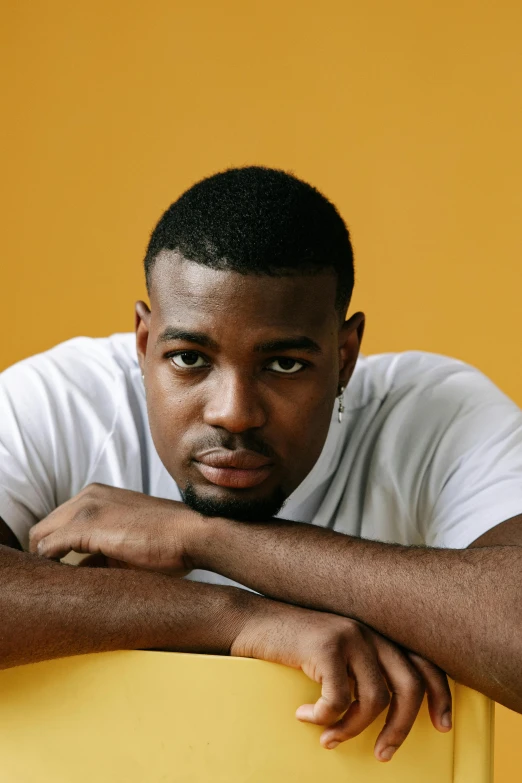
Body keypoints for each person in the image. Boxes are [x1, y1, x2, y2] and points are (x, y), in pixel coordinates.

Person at [1, 167, 522, 764]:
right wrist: (238, 618)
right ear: (142, 342)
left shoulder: (436, 413)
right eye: (190, 358)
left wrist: (203, 536)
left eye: (285, 366)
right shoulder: (60, 400)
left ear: (345, 354)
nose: (235, 413)